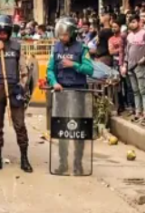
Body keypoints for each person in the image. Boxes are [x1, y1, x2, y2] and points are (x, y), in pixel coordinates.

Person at [0, 14, 32, 173]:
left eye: (5, 32)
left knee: (20, 124)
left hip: (14, 88)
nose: (2, 34)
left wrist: (22, 85)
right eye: (0, 31)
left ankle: (24, 158)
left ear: (10, 32)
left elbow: (24, 69)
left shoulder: (17, 46)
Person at [46, 17, 94, 175]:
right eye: (60, 35)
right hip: (61, 93)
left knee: (78, 129)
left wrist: (74, 65)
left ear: (72, 34)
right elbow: (50, 69)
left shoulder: (82, 49)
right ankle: (62, 163)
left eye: (65, 35)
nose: (62, 38)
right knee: (62, 130)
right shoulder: (56, 48)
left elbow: (89, 69)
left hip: (78, 93)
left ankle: (78, 164)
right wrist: (53, 82)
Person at [124, 15, 145, 124]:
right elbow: (127, 51)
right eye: (130, 22)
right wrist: (125, 64)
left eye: (134, 22)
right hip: (130, 66)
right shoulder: (129, 35)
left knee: (143, 91)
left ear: (139, 22)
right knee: (135, 91)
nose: (131, 24)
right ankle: (138, 112)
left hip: (140, 65)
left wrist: (144, 58)